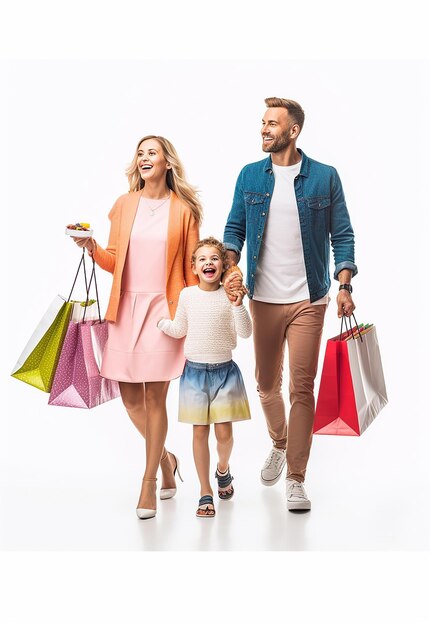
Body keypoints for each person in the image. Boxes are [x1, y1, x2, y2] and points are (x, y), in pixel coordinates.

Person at [223, 97, 357, 511]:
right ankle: (280, 442)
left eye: (272, 123)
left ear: (293, 130)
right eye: (262, 123)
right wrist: (231, 267)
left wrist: (345, 284)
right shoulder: (249, 176)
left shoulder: (324, 177)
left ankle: (296, 478)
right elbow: (234, 228)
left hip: (309, 300)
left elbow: (343, 235)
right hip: (262, 299)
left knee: (302, 387)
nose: (264, 129)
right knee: (266, 386)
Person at [72, 135, 202, 519]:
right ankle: (166, 459)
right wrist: (91, 246)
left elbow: (193, 271)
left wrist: (193, 316)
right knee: (131, 400)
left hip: (164, 312)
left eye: (153, 153)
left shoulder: (183, 210)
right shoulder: (124, 205)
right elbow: (115, 260)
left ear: (167, 163)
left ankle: (147, 482)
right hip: (125, 309)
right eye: (140, 154)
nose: (145, 158)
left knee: (155, 400)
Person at [157, 237, 252, 518]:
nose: (208, 263)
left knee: (224, 434)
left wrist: (237, 305)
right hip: (195, 374)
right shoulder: (187, 295)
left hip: (225, 373)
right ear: (195, 268)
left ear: (223, 265)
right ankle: (204, 490)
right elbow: (179, 328)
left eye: (214, 258)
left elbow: (246, 333)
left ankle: (223, 470)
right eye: (202, 259)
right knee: (200, 432)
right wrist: (161, 324)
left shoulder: (229, 295)